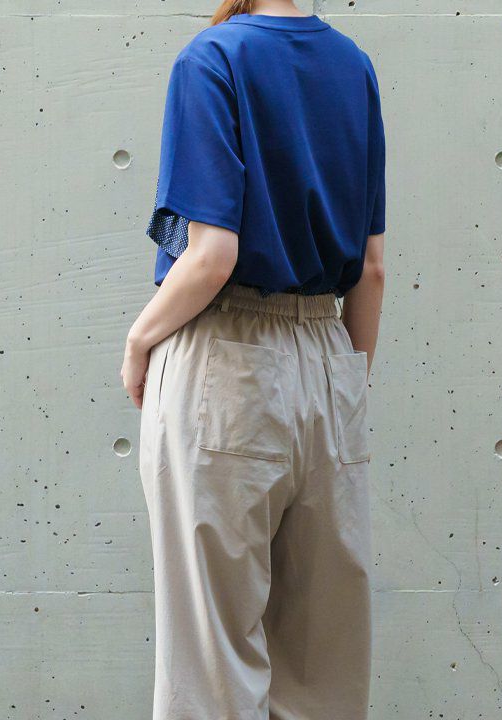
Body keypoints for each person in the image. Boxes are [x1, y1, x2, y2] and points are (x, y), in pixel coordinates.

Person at [121, 0, 386, 717]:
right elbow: (371, 269)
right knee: (322, 671)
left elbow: (211, 256)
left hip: (228, 360)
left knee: (211, 665)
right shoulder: (353, 67)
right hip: (329, 356)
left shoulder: (211, 59)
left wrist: (140, 338)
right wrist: (344, 389)